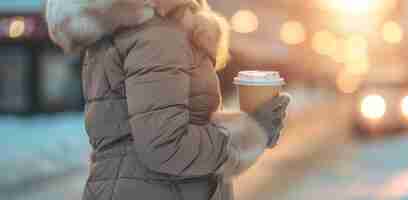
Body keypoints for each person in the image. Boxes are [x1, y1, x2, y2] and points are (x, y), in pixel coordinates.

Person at [46, 0, 291, 199]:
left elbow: (149, 129)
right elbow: (165, 146)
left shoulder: (128, 26)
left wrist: (247, 127)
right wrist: (251, 131)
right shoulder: (157, 34)